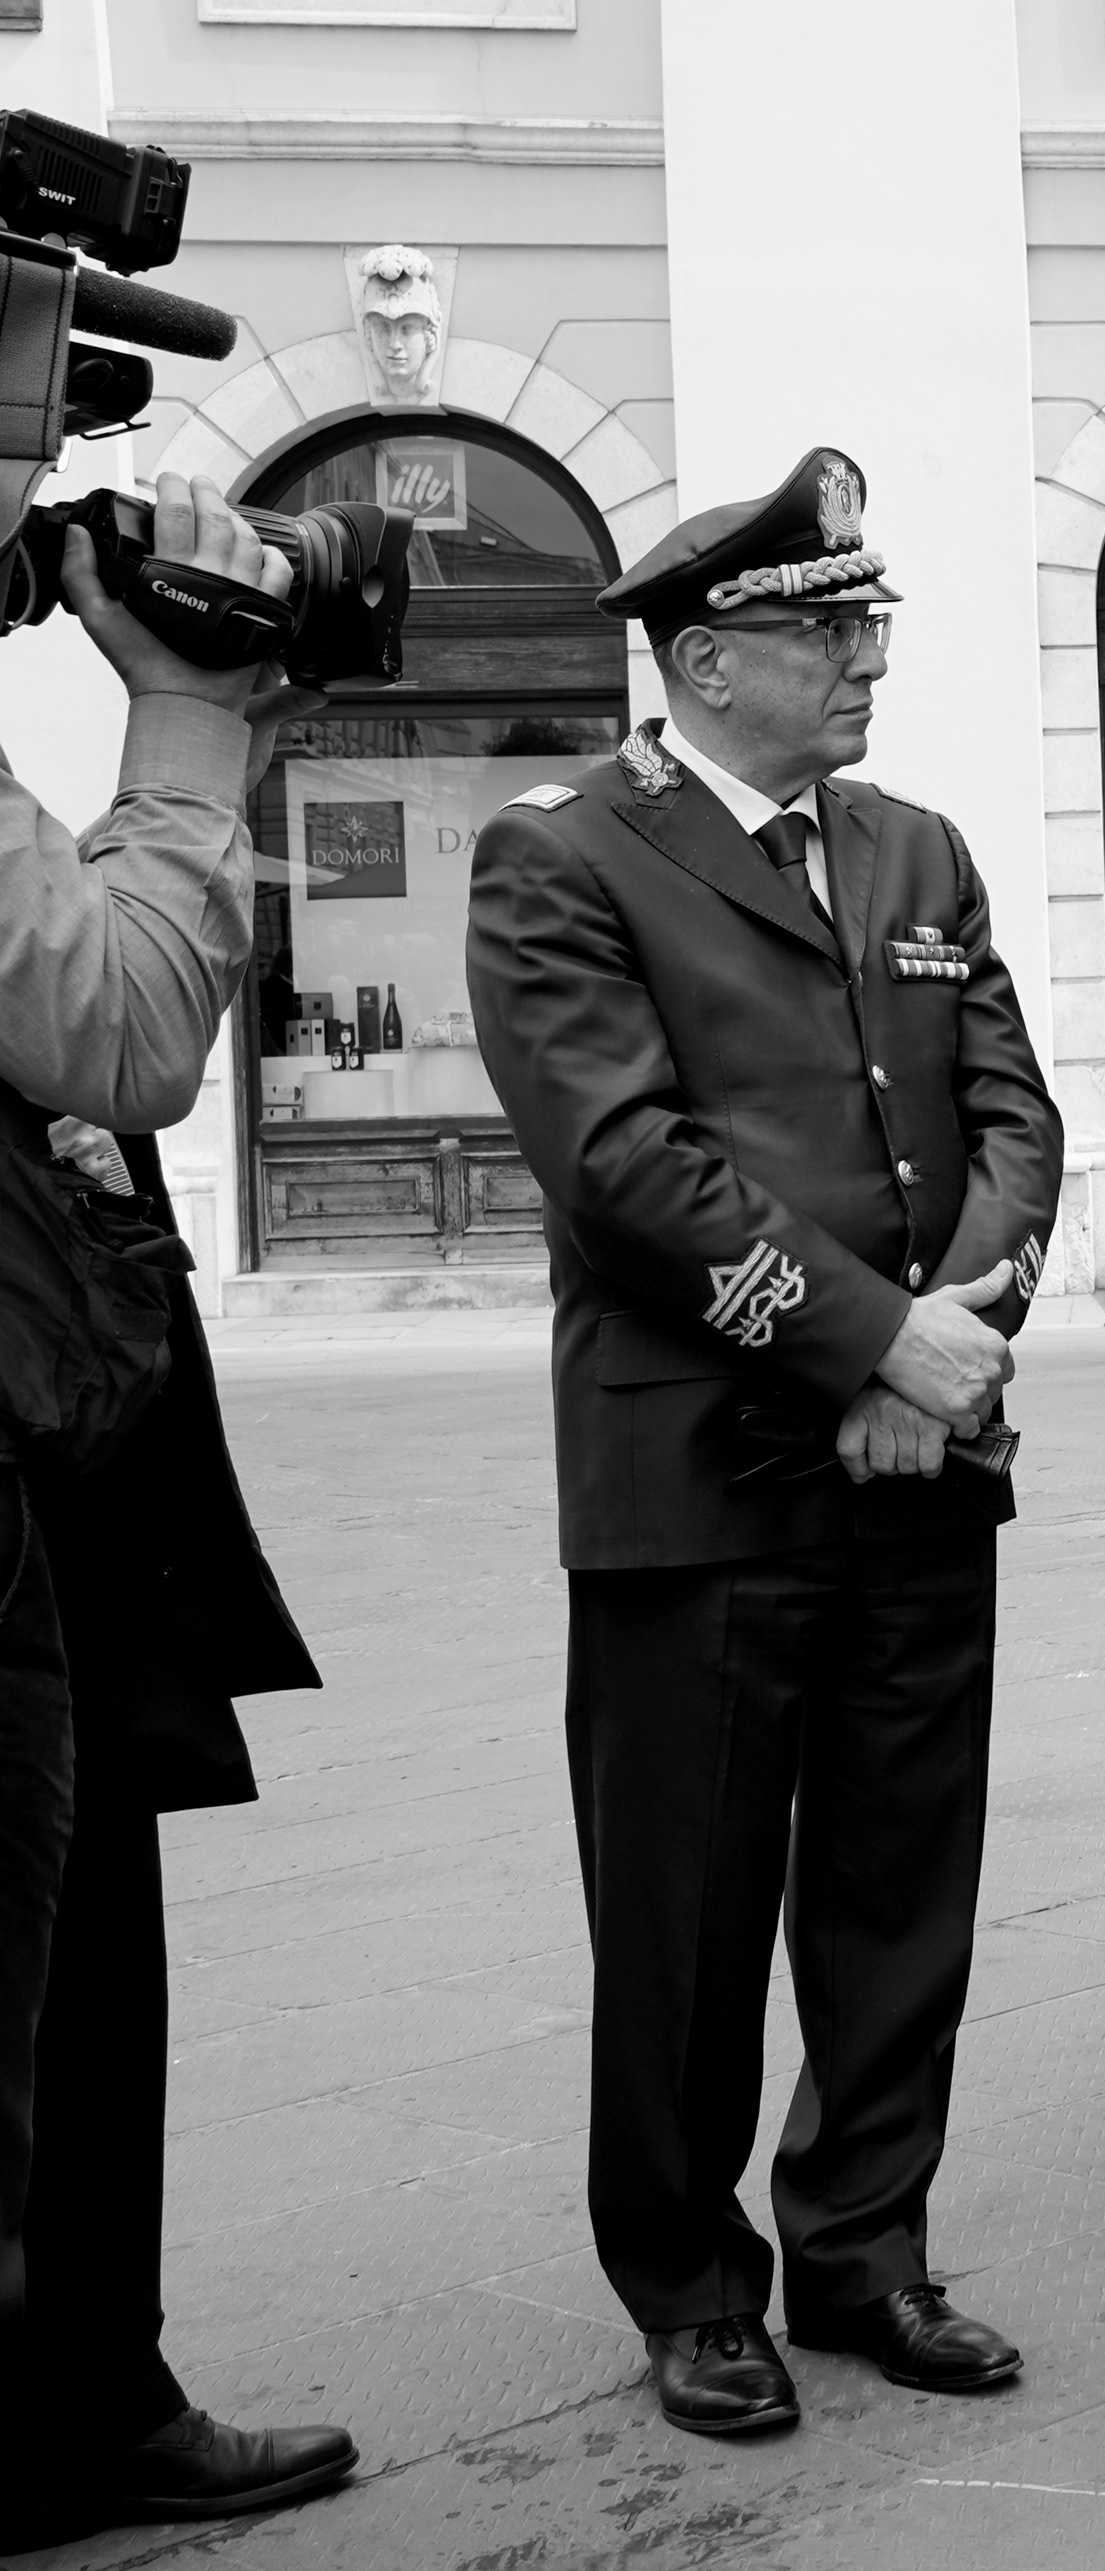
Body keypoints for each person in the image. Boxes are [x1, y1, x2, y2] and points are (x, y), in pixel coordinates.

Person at [468, 448, 1065, 2432]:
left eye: (869, 623)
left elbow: (1014, 1119)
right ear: (709, 658)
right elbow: (626, 1167)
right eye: (832, 630)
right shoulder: (565, 856)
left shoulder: (916, 847)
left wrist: (952, 1341)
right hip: (706, 1476)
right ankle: (688, 2277)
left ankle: (867, 2247)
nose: (868, 658)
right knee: (688, 1910)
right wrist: (878, 1345)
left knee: (902, 1889)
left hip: (926, 1460)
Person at [0, 481, 353, 2532]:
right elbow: (116, 1026)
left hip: (65, 1448)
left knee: (86, 1934)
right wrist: (193, 707)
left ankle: (89, 2384)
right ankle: (59, 2411)